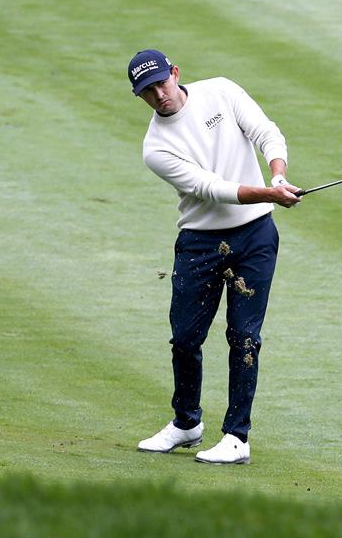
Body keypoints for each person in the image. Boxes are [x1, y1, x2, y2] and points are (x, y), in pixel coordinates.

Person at [128, 48, 302, 465]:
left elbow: (266, 132)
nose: (158, 96)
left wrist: (277, 174)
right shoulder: (156, 148)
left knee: (244, 337)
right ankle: (186, 423)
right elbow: (213, 188)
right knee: (185, 338)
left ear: (175, 73)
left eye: (160, 84)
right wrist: (270, 193)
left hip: (256, 235)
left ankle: (237, 438)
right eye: (147, 92)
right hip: (200, 242)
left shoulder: (221, 92)